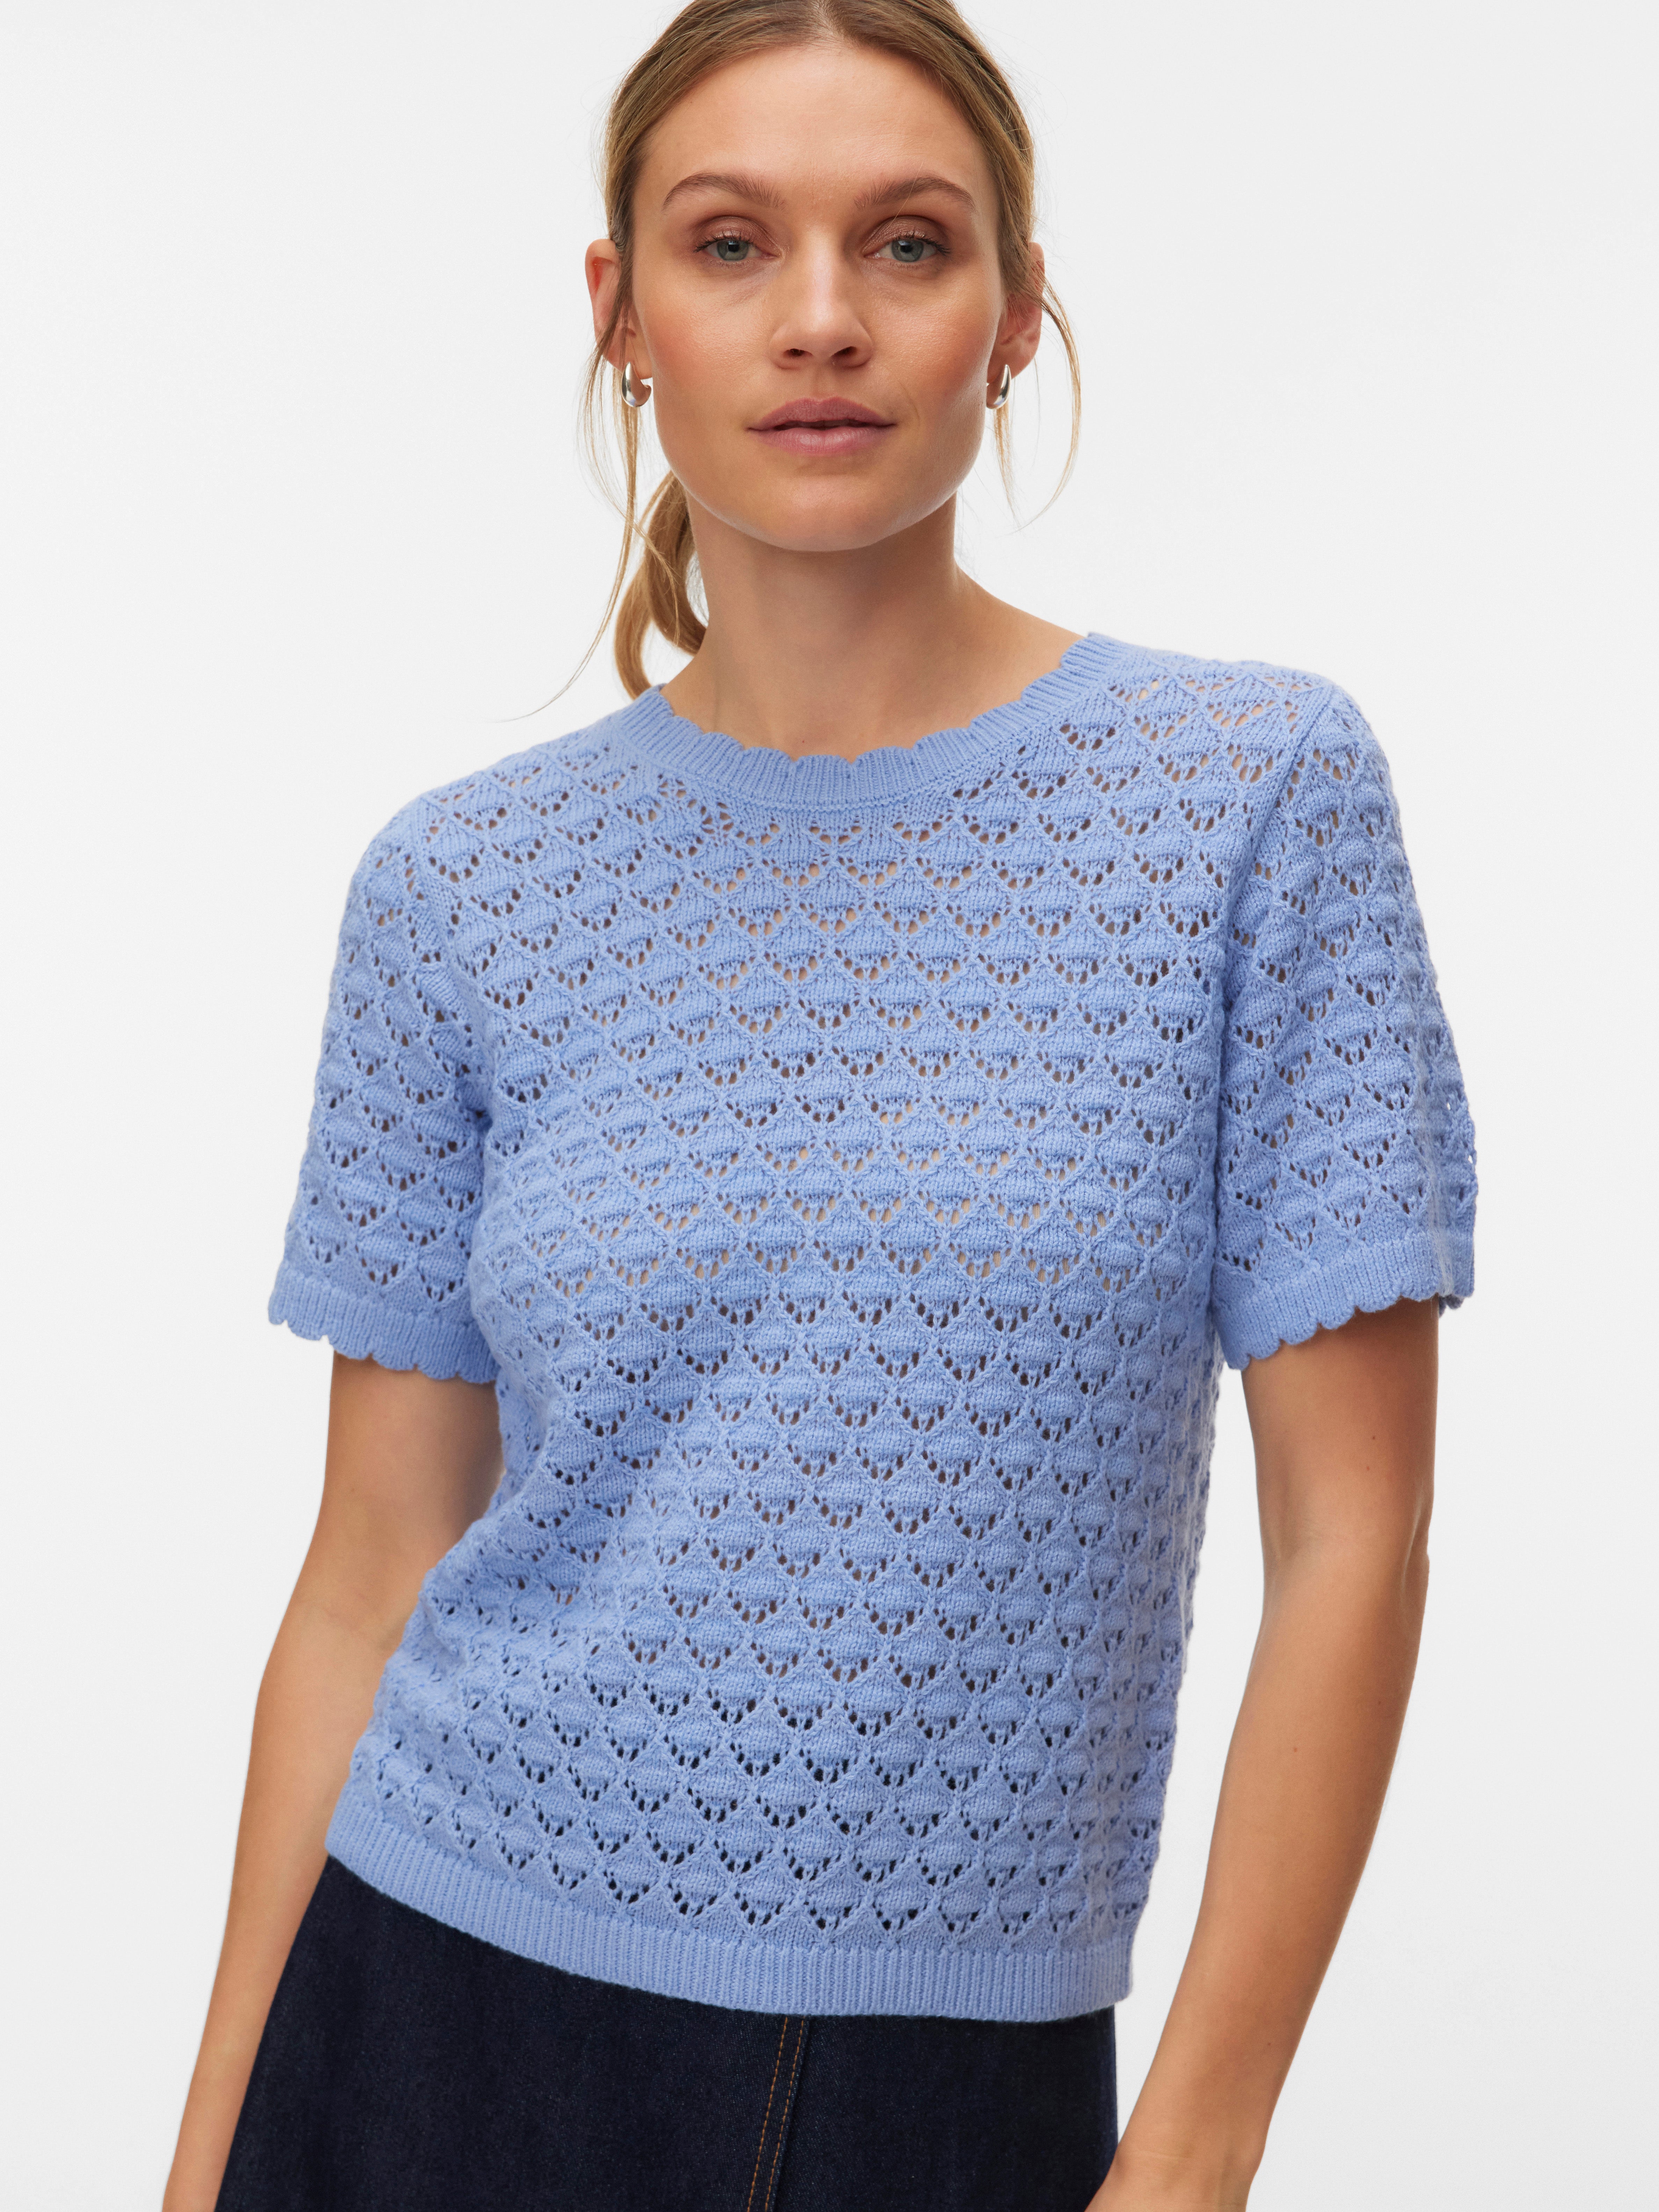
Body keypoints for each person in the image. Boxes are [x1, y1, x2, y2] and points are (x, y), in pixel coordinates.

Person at [165, 3, 1477, 2206]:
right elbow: (370, 1566)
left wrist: (1194, 2157)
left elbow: (1355, 1538)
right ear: (623, 315)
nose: (822, 319)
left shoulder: (1253, 799)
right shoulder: (462, 887)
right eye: (732, 243)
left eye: (908, 243)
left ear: (1017, 313)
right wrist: (208, 2156)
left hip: (957, 2093)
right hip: (432, 2021)